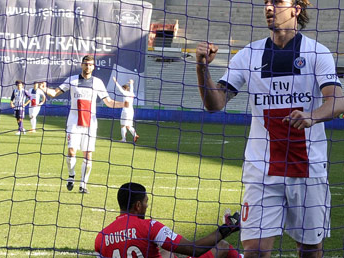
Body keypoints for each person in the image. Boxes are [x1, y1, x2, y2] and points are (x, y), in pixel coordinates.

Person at [195, 0, 344, 258]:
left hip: (308, 168)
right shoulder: (248, 55)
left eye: (276, 1)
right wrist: (202, 67)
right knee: (255, 251)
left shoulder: (317, 53)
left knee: (310, 251)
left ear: (295, 10)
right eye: (266, 2)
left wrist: (312, 116)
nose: (268, 7)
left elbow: (337, 100)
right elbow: (214, 104)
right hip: (262, 169)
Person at [40, 55, 124, 194]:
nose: (88, 67)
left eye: (90, 64)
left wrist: (123, 104)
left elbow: (108, 102)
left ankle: (83, 184)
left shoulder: (97, 82)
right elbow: (54, 93)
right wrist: (45, 89)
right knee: (71, 151)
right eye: (86, 64)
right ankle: (71, 175)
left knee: (88, 154)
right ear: (82, 65)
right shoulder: (72, 80)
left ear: (93, 67)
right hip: (73, 123)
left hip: (90, 124)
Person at [95, 182, 241, 258]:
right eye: (146, 202)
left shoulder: (101, 237)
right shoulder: (149, 226)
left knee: (166, 252)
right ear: (138, 205)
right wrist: (227, 228)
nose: (147, 205)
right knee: (222, 246)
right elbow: (193, 249)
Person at [112, 77, 139, 143]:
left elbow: (120, 89)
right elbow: (132, 89)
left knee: (123, 125)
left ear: (124, 88)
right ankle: (135, 135)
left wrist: (115, 82)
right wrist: (132, 83)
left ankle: (123, 139)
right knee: (128, 125)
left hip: (126, 111)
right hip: (131, 111)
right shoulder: (131, 93)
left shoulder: (125, 93)